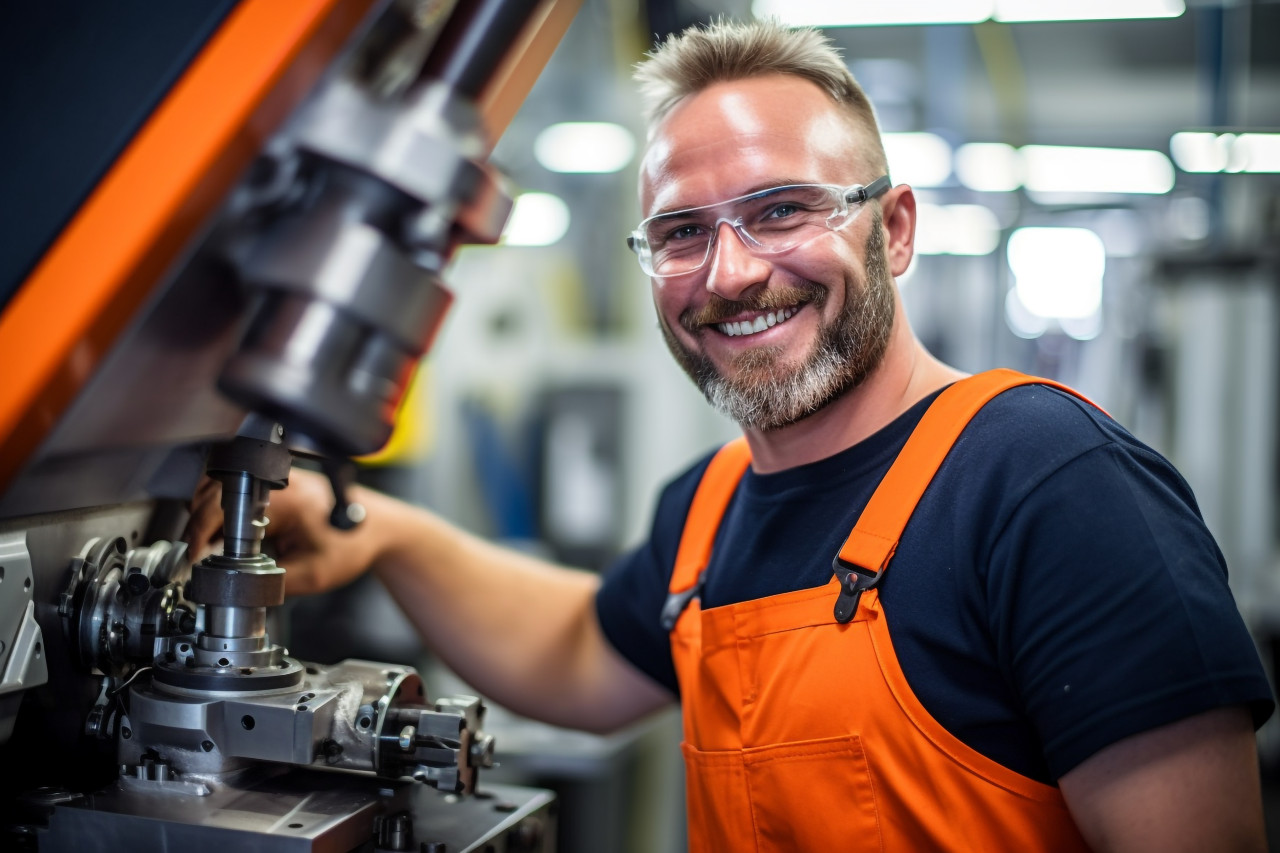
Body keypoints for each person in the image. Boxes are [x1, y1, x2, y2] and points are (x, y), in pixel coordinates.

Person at [187, 18, 1273, 852]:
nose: (730, 273)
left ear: (891, 229)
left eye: (782, 208)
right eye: (680, 232)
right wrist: (380, 531)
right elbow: (579, 652)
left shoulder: (1046, 481)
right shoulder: (708, 508)